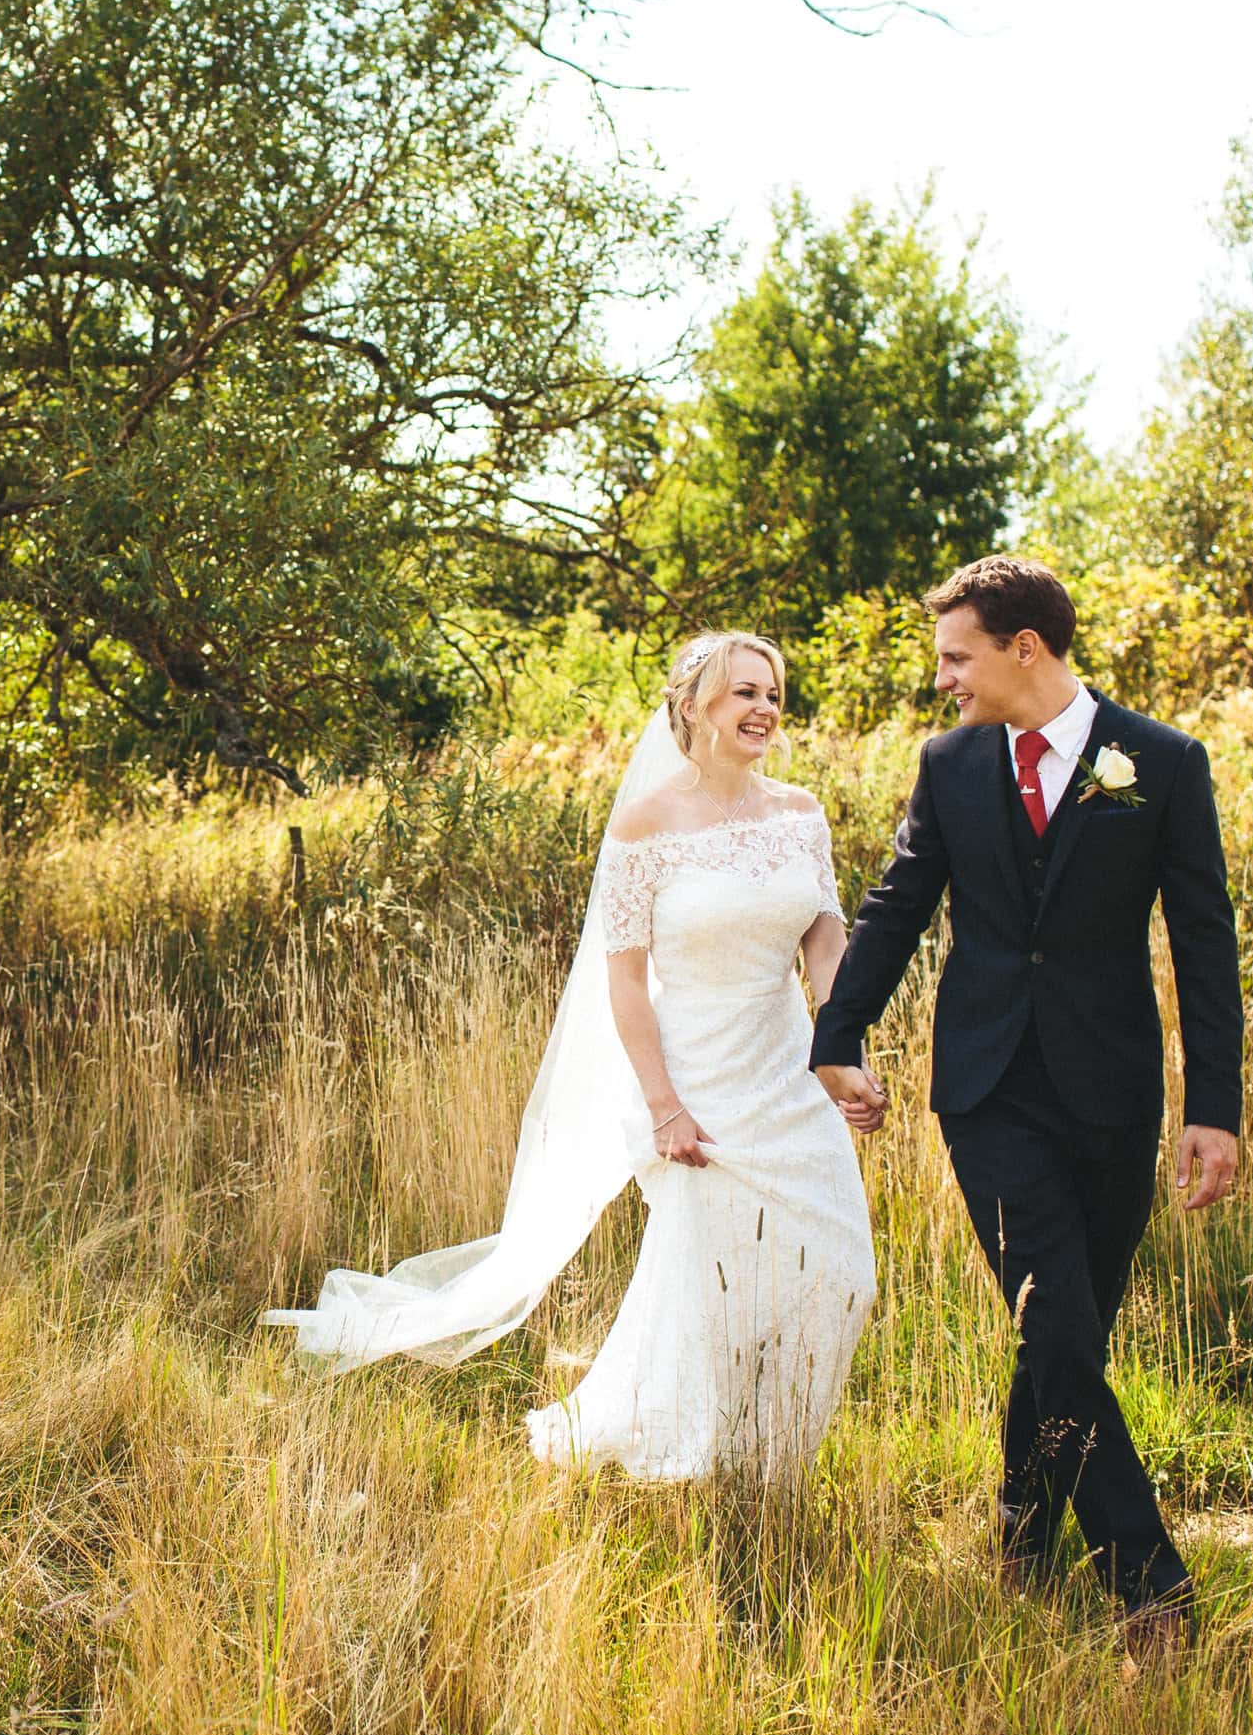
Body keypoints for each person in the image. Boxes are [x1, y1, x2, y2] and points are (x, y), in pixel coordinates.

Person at [262, 632, 877, 1483]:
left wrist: (840, 1050)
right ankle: (714, 1466)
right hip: (699, 1083)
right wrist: (664, 1104)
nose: (764, 708)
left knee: (844, 1274)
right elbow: (624, 984)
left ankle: (771, 1453)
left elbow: (824, 940)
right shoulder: (646, 824)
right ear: (694, 705)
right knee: (711, 1287)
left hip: (786, 1075)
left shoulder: (799, 814)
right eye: (744, 692)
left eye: (773, 692)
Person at [809, 555, 1243, 1654]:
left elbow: (1203, 938)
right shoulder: (949, 766)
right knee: (1055, 1314)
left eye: (957, 657)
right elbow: (898, 903)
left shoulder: (1158, 762)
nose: (944, 680)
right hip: (988, 1086)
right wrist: (836, 1034)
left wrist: (1215, 1105)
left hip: (1112, 1090)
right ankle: (1150, 1586)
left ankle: (1021, 1512)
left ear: (1025, 649)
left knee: (1068, 1329)